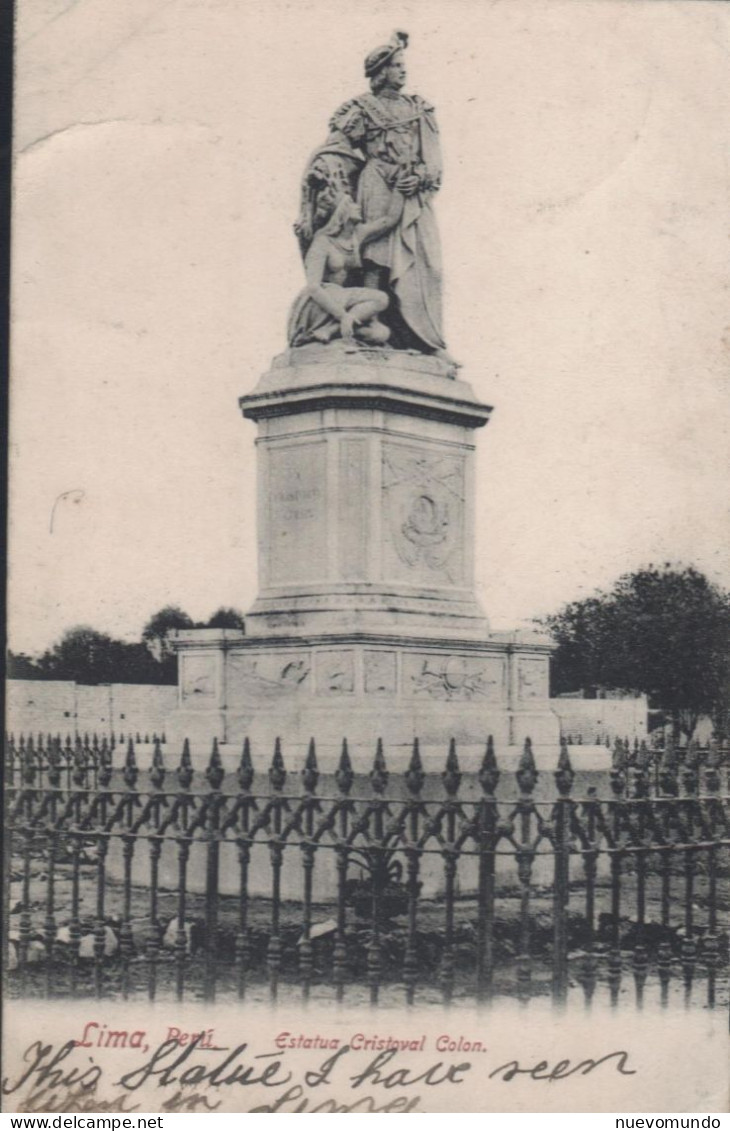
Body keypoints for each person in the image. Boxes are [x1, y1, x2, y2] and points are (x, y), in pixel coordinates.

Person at [329, 31, 449, 357]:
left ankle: (423, 340)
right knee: (373, 260)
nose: (403, 71)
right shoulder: (359, 109)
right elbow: (335, 153)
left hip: (411, 194)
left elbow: (434, 162)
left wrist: (420, 178)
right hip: (375, 184)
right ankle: (371, 328)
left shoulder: (419, 109)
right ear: (381, 71)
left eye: (402, 65)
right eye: (396, 66)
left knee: (427, 267)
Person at [287, 195, 391, 348]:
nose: (358, 207)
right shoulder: (322, 242)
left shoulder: (357, 236)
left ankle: (331, 330)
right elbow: (313, 287)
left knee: (381, 334)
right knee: (381, 298)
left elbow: (387, 221)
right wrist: (342, 315)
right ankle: (333, 327)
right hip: (322, 301)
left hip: (344, 298)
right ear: (342, 212)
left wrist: (401, 186)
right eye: (353, 204)